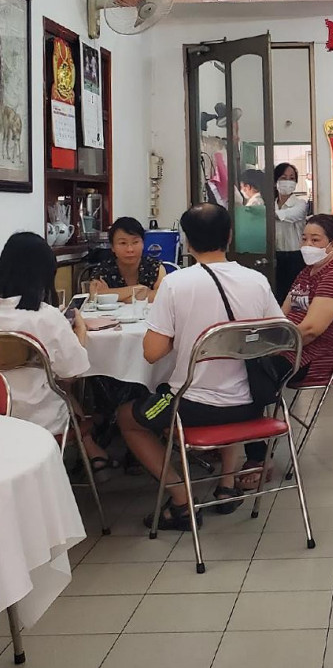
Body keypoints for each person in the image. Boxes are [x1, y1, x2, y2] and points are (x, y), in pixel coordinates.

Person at [117, 203, 284, 530]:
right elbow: (277, 338)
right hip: (250, 404)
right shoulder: (256, 281)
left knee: (127, 417)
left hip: (188, 408)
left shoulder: (176, 284)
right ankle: (226, 484)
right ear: (230, 236)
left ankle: (181, 499)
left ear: (187, 241)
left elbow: (152, 353)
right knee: (233, 381)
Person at [0, 232, 113, 471]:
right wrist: (80, 331)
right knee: (60, 385)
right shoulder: (46, 317)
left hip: (4, 416)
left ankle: (92, 449)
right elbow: (72, 373)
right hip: (39, 417)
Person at [283, 213, 333, 383]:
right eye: (304, 239)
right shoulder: (307, 272)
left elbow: (310, 330)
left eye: (315, 240)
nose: (307, 245)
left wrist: (274, 346)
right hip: (289, 348)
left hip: (311, 358)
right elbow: (283, 314)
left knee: (251, 370)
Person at [91, 217, 166, 303]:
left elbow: (162, 297)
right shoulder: (102, 270)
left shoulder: (155, 268)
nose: (130, 249)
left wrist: (111, 294)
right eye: (123, 243)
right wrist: (138, 289)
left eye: (135, 242)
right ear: (112, 247)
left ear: (143, 243)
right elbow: (95, 296)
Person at [273, 162, 307, 303]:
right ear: (275, 181)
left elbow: (290, 215)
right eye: (283, 177)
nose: (288, 181)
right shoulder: (271, 205)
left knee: (295, 299)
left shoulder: (301, 204)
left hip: (296, 257)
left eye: (291, 178)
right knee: (277, 296)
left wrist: (266, 213)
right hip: (275, 257)